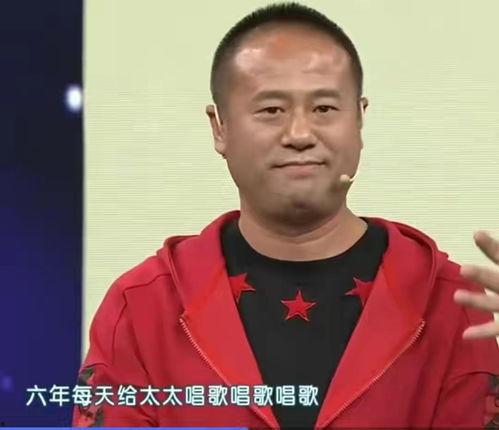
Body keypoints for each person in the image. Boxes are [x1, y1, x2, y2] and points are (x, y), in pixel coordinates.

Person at [73, 2, 499, 427]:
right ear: (219, 127)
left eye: (324, 108)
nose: (299, 134)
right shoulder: (143, 306)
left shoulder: (452, 303)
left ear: (359, 119)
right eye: (271, 110)